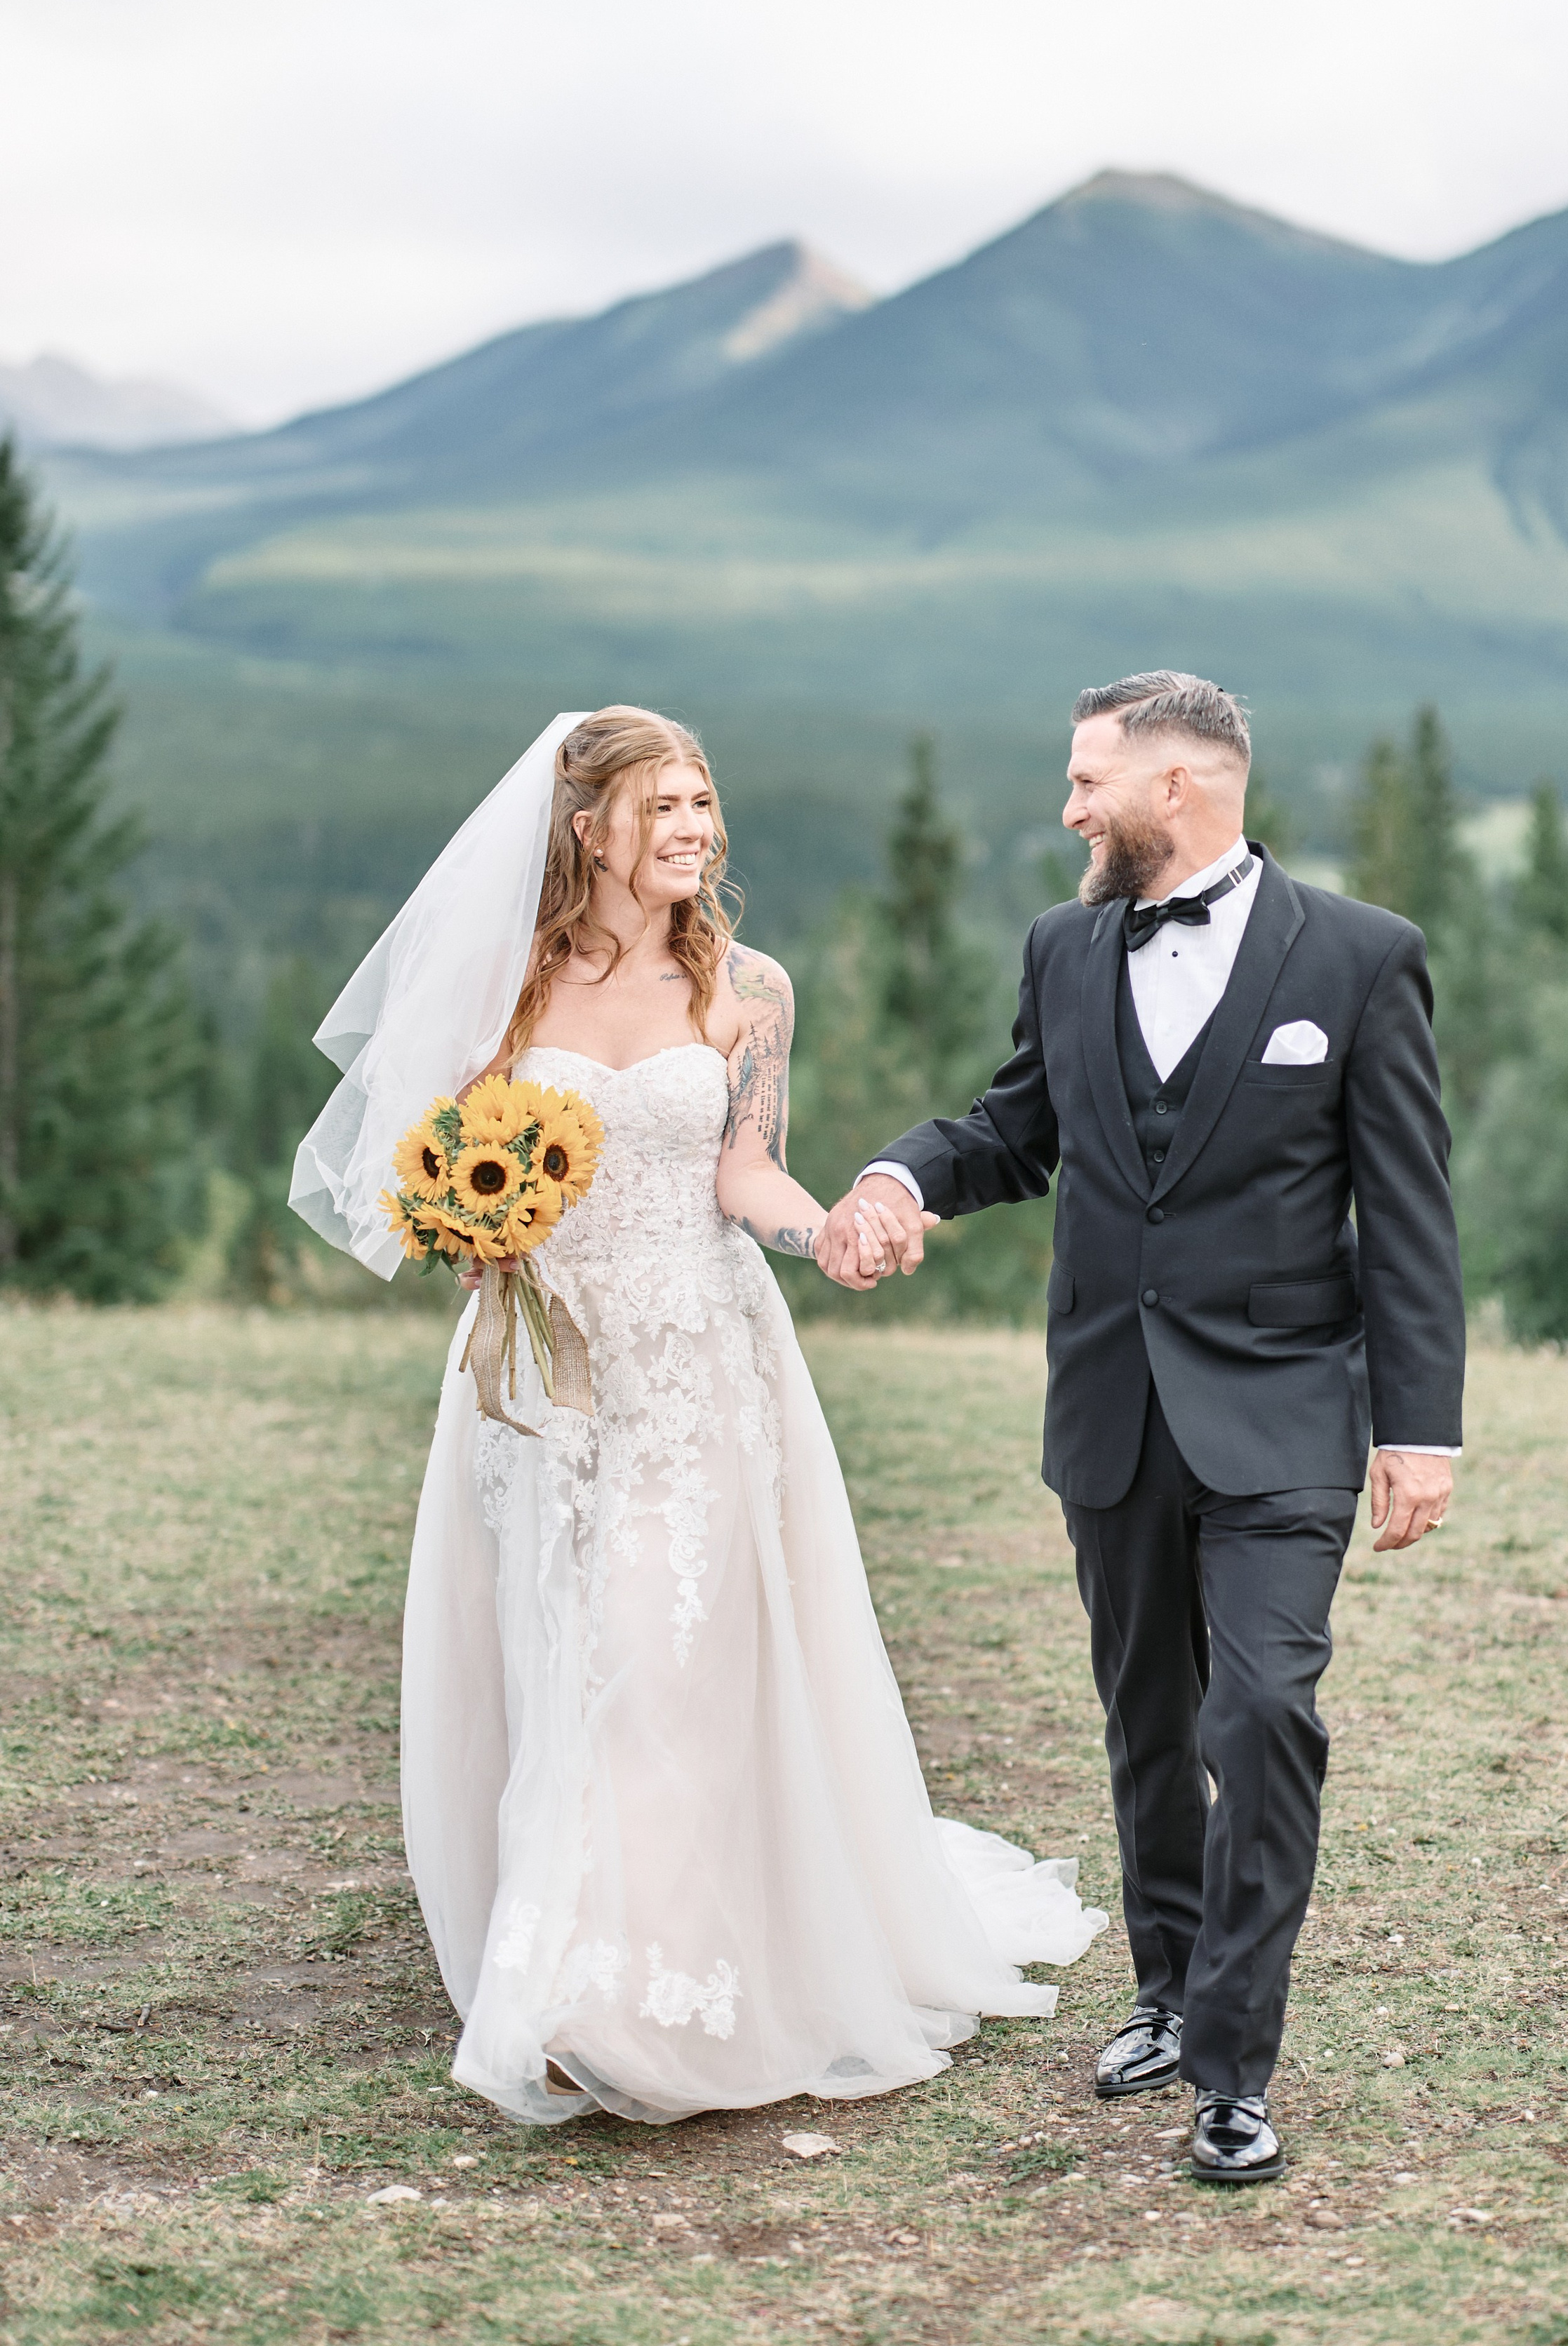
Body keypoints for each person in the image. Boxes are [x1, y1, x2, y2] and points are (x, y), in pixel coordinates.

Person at [290, 706, 1103, 2125]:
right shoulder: (508, 989)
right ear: (586, 825)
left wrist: (830, 1230)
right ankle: (553, 1946)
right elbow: (425, 1164)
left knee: (653, 1663)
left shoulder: (747, 985)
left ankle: (612, 2003)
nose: (690, 828)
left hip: (698, 1373)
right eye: (659, 805)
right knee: (555, 1662)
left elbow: (745, 1171)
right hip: (538, 1384)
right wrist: (468, 1228)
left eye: (702, 802)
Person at [817, 671, 1464, 2183]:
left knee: (1263, 1714)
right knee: (1149, 1727)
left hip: (1289, 1415)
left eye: (1084, 780)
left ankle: (1233, 2064)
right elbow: (1012, 1126)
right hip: (1111, 1408)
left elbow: (1411, 1214)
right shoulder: (1061, 947)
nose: (1066, 809)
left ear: (1176, 785)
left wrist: (1418, 1426)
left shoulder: (1363, 959)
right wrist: (900, 1178)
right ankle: (1166, 1993)